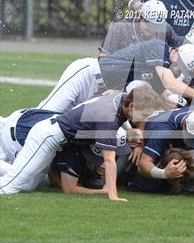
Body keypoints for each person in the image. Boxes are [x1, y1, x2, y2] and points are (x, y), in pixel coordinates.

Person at [0, 86, 162, 200]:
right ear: (132, 105)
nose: (145, 118)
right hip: (46, 138)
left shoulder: (120, 97)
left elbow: (117, 104)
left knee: (27, 185)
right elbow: (109, 161)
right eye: (144, 113)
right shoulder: (109, 118)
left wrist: (128, 131)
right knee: (9, 187)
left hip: (51, 134)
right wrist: (112, 195)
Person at [37, 39, 194, 113]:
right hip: (87, 74)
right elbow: (168, 81)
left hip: (99, 89)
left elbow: (165, 93)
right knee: (47, 111)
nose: (177, 68)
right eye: (178, 64)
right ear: (177, 51)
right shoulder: (158, 47)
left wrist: (177, 102)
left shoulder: (159, 66)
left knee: (61, 121)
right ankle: (10, 129)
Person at [98, 0, 181, 56]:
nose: (153, 29)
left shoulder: (166, 28)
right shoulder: (120, 28)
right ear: (140, 17)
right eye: (149, 24)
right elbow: (101, 56)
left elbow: (179, 51)